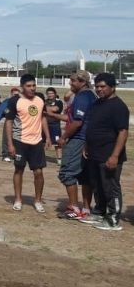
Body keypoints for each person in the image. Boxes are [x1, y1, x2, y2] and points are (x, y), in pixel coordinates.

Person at [47, 71, 96, 220]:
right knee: (84, 175)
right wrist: (55, 116)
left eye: (73, 81)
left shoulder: (82, 97)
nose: (70, 84)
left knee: (67, 172)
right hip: (88, 139)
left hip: (78, 138)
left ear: (82, 82)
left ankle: (74, 208)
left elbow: (77, 122)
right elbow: (72, 118)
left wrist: (64, 137)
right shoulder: (91, 96)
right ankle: (86, 209)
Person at [82, 73, 128, 231]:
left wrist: (115, 156)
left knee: (111, 187)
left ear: (112, 87)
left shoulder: (118, 106)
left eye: (103, 86)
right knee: (97, 185)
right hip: (94, 153)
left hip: (109, 154)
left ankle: (113, 219)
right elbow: (92, 127)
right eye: (97, 86)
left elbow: (123, 132)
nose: (99, 89)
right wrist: (87, 146)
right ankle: (99, 212)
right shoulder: (97, 104)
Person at [4, 74, 51, 213]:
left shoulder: (40, 99)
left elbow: (43, 118)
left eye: (33, 85)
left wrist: (47, 136)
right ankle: (18, 199)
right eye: (28, 86)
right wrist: (10, 144)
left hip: (36, 142)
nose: (32, 88)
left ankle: (37, 200)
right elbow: (9, 122)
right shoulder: (15, 101)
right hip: (20, 141)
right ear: (22, 87)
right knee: (19, 170)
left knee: (38, 172)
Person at [0, 87, 20, 161]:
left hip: (18, 123)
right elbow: (2, 109)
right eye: (14, 94)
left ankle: (15, 154)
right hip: (9, 121)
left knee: (17, 138)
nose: (15, 95)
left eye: (17, 94)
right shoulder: (7, 101)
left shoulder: (21, 101)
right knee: (6, 138)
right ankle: (5, 154)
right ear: (11, 94)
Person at [44, 87, 65, 165]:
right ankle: (41, 157)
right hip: (45, 124)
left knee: (57, 143)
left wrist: (46, 109)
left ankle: (59, 159)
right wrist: (49, 109)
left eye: (51, 93)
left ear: (55, 94)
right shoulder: (45, 101)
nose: (50, 95)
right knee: (42, 141)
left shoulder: (58, 101)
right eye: (48, 93)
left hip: (55, 124)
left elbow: (56, 109)